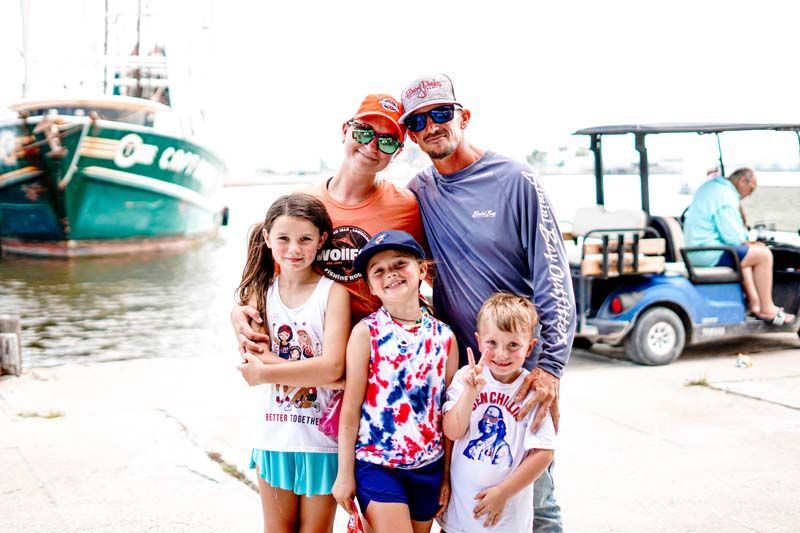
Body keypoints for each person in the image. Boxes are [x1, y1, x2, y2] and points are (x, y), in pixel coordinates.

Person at [399, 74, 575, 531]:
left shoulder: (514, 179)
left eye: (441, 113)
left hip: (518, 369)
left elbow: (553, 276)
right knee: (462, 496)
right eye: (419, 120)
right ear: (411, 134)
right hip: (460, 377)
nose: (432, 125)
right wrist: (255, 296)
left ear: (464, 117)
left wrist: (550, 367)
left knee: (535, 501)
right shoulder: (420, 193)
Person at [232, 93, 425, 351]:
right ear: (346, 130)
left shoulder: (406, 206)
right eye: (364, 132)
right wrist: (242, 309)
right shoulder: (304, 202)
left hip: (383, 352)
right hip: (315, 351)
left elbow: (427, 274)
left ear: (398, 152)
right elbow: (273, 272)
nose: (372, 146)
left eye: (388, 142)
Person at [235, 192, 351, 533]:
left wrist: (267, 372)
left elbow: (332, 366)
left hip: (321, 441)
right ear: (268, 238)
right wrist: (323, 376)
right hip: (273, 434)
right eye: (283, 238)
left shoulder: (333, 292)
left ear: (322, 240)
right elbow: (252, 358)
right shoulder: (259, 292)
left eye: (305, 239)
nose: (294, 249)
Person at [331, 230, 459, 533]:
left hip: (429, 466)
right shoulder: (366, 333)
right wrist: (344, 474)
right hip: (377, 464)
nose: (391, 274)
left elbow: (447, 413)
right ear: (372, 287)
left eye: (400, 264)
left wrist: (446, 474)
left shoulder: (445, 337)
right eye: (379, 271)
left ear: (421, 270)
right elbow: (350, 410)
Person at [441, 293, 555, 532]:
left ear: (530, 347)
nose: (502, 354)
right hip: (460, 518)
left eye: (513, 345)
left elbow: (544, 453)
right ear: (479, 341)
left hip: (507, 520)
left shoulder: (532, 390)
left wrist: (503, 493)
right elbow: (451, 431)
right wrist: (470, 392)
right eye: (492, 343)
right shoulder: (465, 378)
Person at [683, 167, 795, 325]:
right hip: (708, 253)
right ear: (743, 181)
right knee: (763, 255)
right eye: (751, 189)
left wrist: (747, 243)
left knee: (747, 257)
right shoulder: (725, 195)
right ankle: (768, 309)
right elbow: (732, 236)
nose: (749, 194)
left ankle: (755, 303)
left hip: (696, 250)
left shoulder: (711, 187)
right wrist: (751, 242)